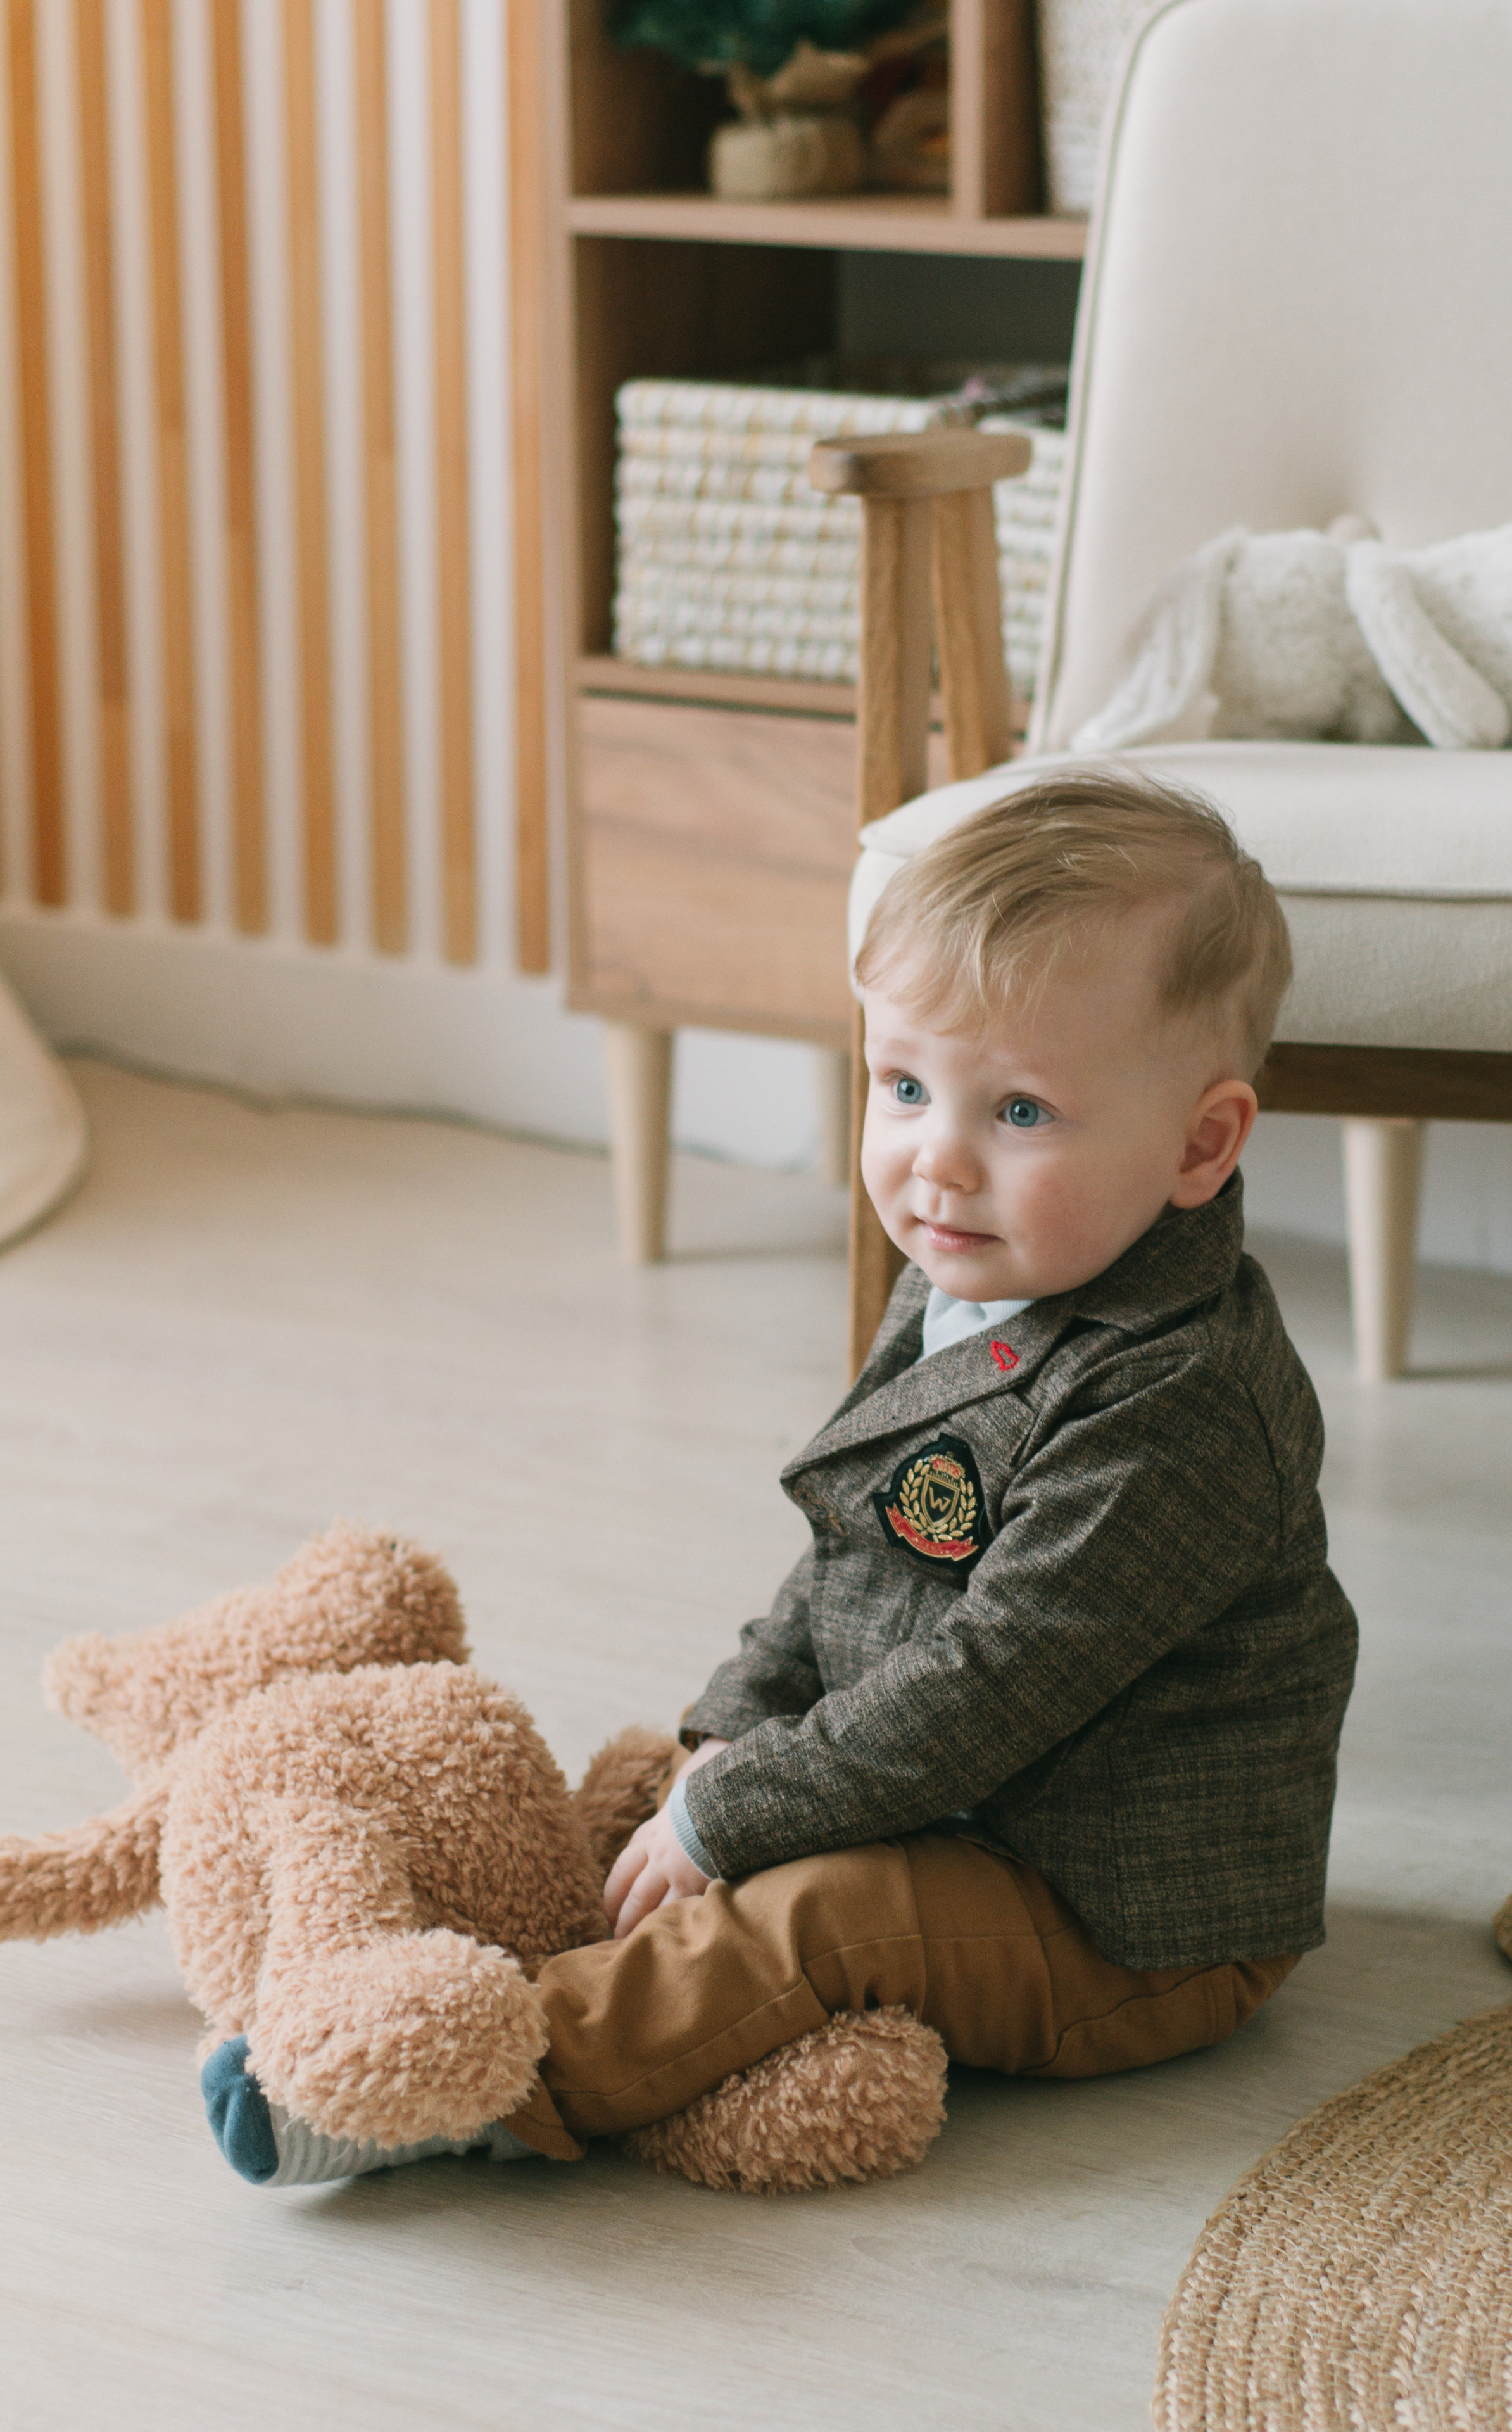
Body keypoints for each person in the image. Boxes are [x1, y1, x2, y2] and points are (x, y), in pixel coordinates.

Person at [208, 767, 1358, 2185]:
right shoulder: (978, 1272)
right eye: (905, 1087)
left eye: (1020, 1112)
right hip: (953, 1794)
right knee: (664, 1785)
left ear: (1199, 1142)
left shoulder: (1179, 1403)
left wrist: (743, 1812)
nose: (936, 1161)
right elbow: (847, 1554)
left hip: (1111, 1908)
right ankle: (461, 1938)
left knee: (820, 1916)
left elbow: (987, 1685)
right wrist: (730, 1735)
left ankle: (473, 2078)